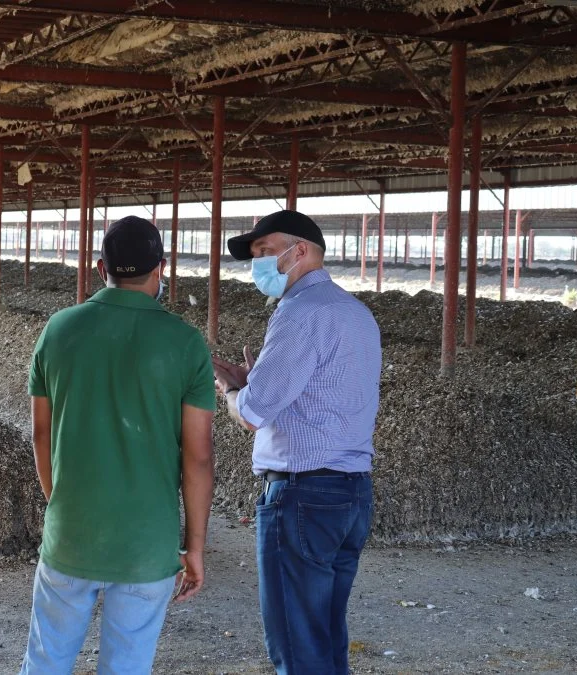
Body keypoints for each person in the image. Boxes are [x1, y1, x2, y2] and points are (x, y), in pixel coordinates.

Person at [19, 215, 215, 675]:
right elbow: (198, 456)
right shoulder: (185, 344)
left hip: (72, 532)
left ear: (99, 267)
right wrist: (195, 547)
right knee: (127, 666)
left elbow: (41, 434)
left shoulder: (59, 330)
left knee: (46, 661)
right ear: (161, 269)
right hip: (148, 543)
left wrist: (60, 503)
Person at [212, 210, 381, 675]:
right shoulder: (356, 313)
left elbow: (252, 414)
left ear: (300, 251)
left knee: (297, 642)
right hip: (351, 493)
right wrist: (256, 382)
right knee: (326, 633)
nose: (259, 265)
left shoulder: (298, 312)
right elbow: (317, 393)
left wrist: (233, 390)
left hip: (302, 495)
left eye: (266, 252)